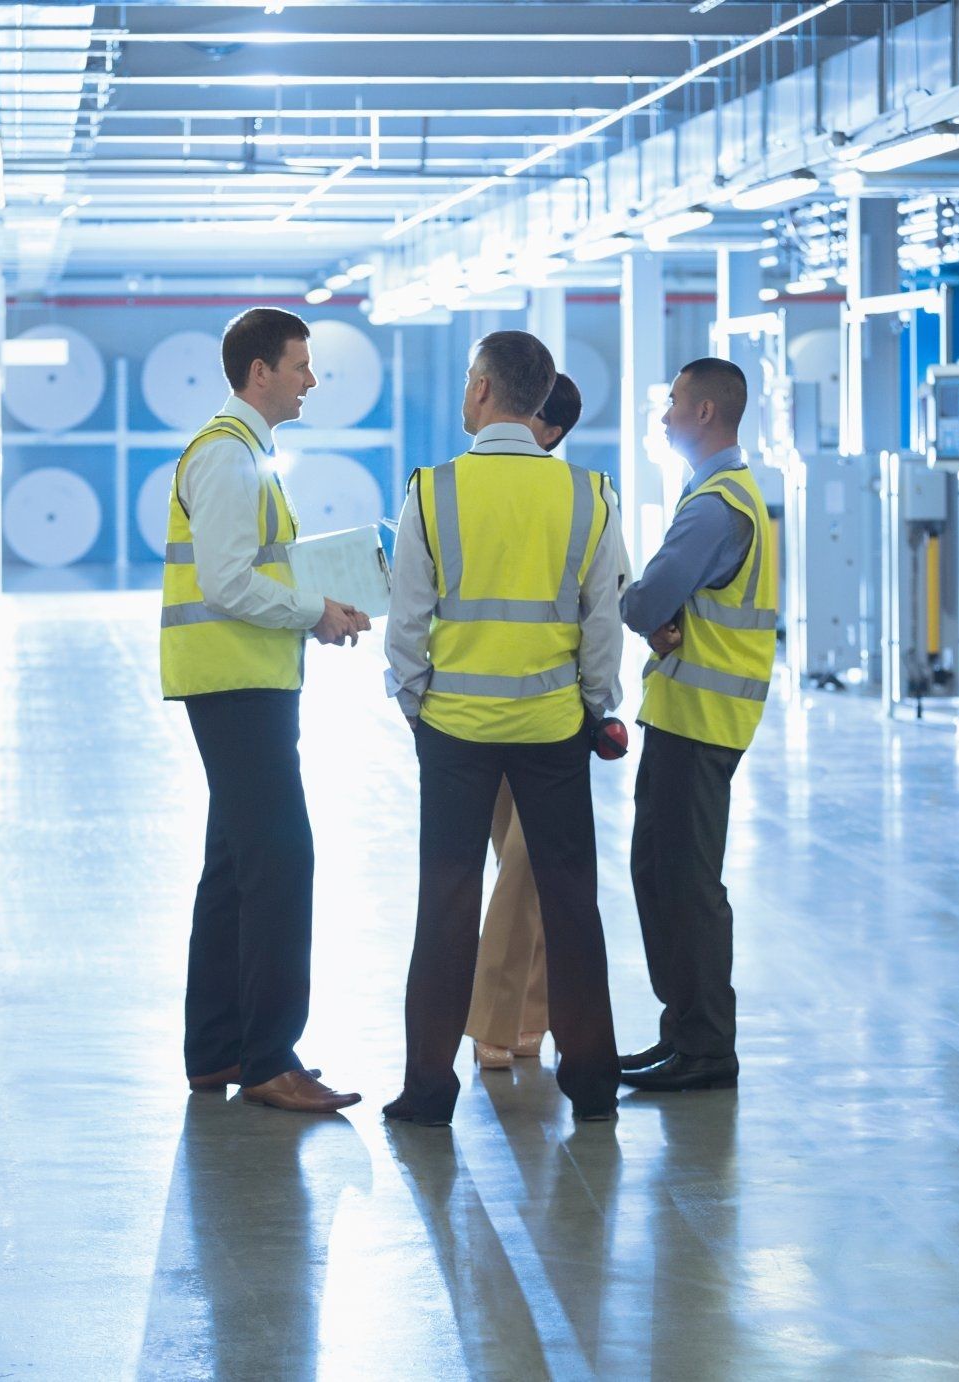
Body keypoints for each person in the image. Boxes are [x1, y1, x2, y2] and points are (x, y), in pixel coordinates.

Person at [382, 331, 627, 1126]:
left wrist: (416, 703)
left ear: (483, 390)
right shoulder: (589, 494)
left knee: (446, 901)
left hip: (453, 727)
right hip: (556, 725)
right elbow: (603, 624)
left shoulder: (434, 489)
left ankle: (427, 1091)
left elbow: (407, 620)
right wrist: (595, 705)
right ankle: (591, 1083)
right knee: (571, 902)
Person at [161, 306, 368, 1114]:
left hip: (247, 679)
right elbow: (228, 583)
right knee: (283, 860)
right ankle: (270, 1059)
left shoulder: (249, 453)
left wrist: (317, 607)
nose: (311, 380)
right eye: (301, 365)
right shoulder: (225, 457)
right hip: (234, 684)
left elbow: (253, 575)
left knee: (235, 867)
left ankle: (215, 1051)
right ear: (260, 373)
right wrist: (314, 611)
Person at [618, 358, 776, 1093]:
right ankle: (682, 1031)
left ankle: (707, 1047)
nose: (666, 413)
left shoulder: (717, 504)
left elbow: (647, 601)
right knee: (660, 872)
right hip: (692, 713)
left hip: (700, 717)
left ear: (707, 412)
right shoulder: (724, 493)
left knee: (686, 882)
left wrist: (643, 612)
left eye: (675, 401)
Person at [465, 372, 584, 1071]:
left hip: (540, 709)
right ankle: (525, 1015)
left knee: (525, 866)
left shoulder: (573, 496)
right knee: (523, 866)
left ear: (548, 429)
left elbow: (604, 600)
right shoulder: (467, 485)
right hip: (487, 708)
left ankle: (501, 1019)